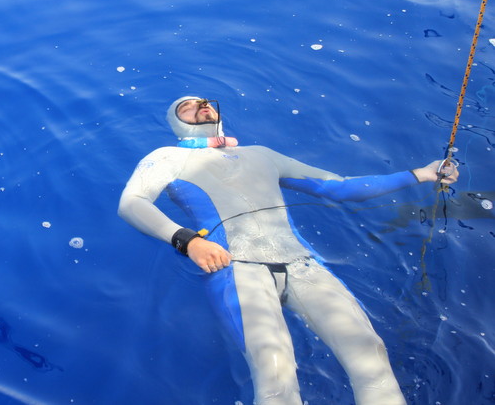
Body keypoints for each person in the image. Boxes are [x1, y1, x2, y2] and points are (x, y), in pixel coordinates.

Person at [117, 96, 459, 405]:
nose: (200, 105)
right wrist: (188, 240)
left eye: (205, 101)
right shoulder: (167, 157)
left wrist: (419, 174)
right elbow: (132, 203)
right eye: (186, 107)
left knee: (370, 354)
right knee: (274, 373)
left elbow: (338, 187)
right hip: (237, 269)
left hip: (303, 265)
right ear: (176, 122)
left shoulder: (262, 154)